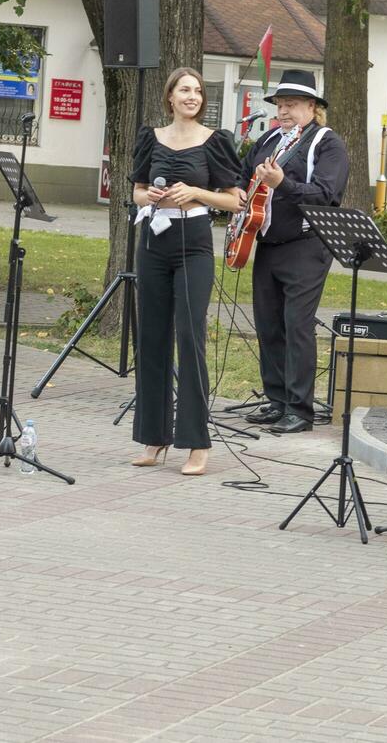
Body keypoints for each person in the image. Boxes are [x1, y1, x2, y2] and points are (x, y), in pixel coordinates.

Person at [129, 67, 243, 476]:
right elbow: (137, 189)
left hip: (193, 242)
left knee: (189, 336)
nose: (192, 96)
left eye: (197, 90)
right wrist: (151, 195)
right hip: (154, 242)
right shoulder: (151, 137)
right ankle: (154, 436)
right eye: (185, 90)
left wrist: (195, 192)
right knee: (152, 338)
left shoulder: (215, 142)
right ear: (171, 97)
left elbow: (235, 201)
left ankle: (196, 442)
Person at [237, 70, 349, 433]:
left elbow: (327, 194)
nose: (284, 111)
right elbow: (243, 177)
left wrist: (283, 183)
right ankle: (276, 400)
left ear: (312, 108)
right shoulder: (269, 138)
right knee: (268, 323)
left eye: (293, 105)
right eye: (281, 104)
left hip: (306, 244)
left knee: (297, 325)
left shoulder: (326, 143)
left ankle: (299, 410)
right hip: (266, 242)